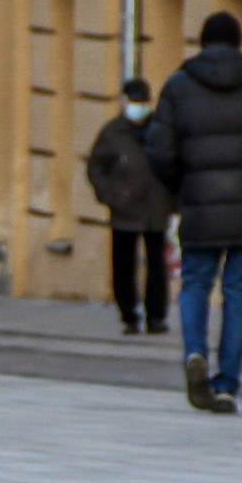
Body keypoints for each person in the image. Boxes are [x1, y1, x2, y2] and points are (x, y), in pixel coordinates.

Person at [146, 11, 242, 415]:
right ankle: (228, 383)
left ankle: (195, 353)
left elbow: (160, 151)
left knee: (195, 285)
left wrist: (183, 187)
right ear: (239, 42)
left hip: (199, 205)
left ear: (202, 42)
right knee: (237, 295)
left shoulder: (179, 86)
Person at [86, 78, 174, 336]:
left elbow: (175, 163)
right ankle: (129, 315)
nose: (138, 106)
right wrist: (110, 195)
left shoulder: (163, 130)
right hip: (124, 208)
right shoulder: (113, 132)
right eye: (134, 101)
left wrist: (173, 198)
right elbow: (96, 167)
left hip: (157, 206)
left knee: (157, 264)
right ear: (125, 101)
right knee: (124, 263)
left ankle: (156, 316)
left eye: (142, 101)